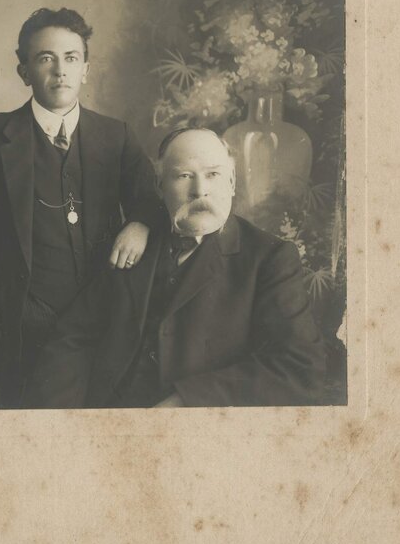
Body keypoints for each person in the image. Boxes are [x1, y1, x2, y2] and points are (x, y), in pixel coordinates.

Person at [0, 8, 161, 404]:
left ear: (86, 69)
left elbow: (152, 201)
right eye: (45, 59)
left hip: (102, 312)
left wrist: (139, 222)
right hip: (24, 320)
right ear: (24, 73)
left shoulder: (115, 136)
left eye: (71, 58)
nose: (60, 71)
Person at [27, 127, 326, 409]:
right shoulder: (133, 243)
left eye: (213, 175)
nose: (200, 190)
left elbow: (300, 367)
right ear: (159, 186)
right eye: (184, 176)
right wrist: (62, 419)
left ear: (232, 182)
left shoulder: (269, 258)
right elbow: (73, 337)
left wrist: (187, 402)